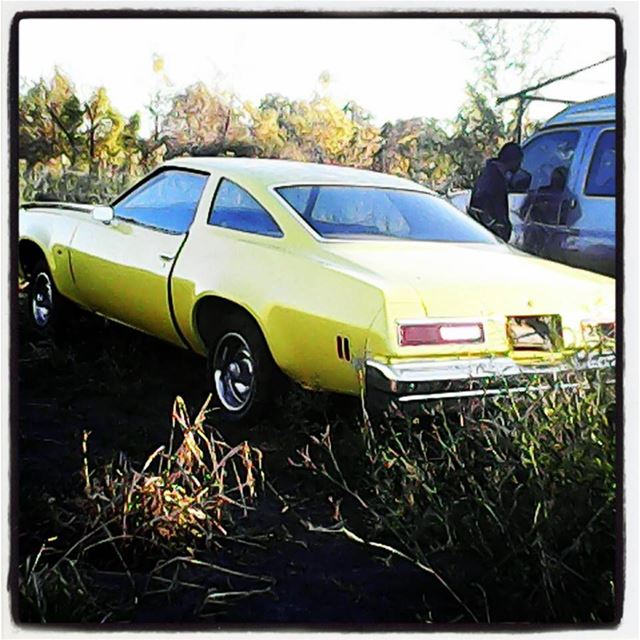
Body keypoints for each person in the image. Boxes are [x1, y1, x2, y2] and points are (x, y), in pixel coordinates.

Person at [469, 142, 523, 241]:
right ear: (513, 161)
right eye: (519, 162)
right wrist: (497, 228)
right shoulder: (490, 178)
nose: (519, 166)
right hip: (488, 238)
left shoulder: (496, 176)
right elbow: (480, 209)